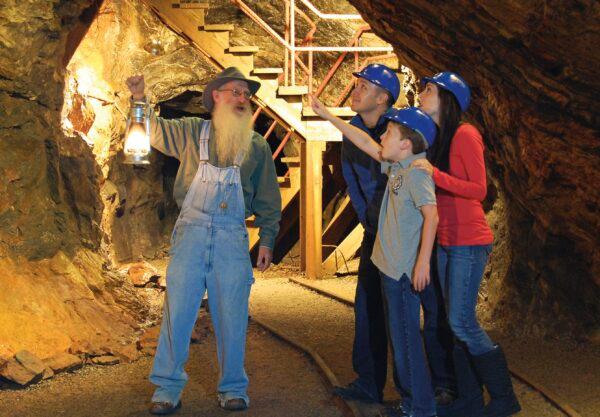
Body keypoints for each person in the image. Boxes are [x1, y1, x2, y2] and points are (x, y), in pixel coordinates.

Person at [125, 67, 282, 415]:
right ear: (216, 96)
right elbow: (154, 131)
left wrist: (268, 239)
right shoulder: (191, 132)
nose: (242, 100)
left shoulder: (256, 146)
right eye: (235, 93)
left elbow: (269, 199)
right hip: (191, 234)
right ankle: (167, 387)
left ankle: (233, 387)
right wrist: (139, 99)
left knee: (232, 313)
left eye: (246, 95)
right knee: (178, 311)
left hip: (231, 237)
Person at [333, 64, 455, 407]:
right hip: (379, 234)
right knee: (371, 308)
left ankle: (434, 390)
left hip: (409, 243)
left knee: (422, 315)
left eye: (363, 85)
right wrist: (367, 218)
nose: (354, 90)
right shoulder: (367, 136)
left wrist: (420, 256)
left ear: (383, 98)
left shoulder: (407, 145)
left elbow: (426, 203)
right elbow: (354, 174)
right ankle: (378, 386)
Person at [312, 96, 441, 417]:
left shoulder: (416, 174)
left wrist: (423, 261)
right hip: (389, 267)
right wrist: (328, 115)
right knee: (400, 340)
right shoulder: (397, 164)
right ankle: (412, 402)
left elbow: (432, 216)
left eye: (390, 133)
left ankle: (420, 408)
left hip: (402, 273)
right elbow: (364, 141)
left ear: (406, 145)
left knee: (407, 342)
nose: (382, 136)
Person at [414, 71, 521, 417]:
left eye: (428, 89)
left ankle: (504, 399)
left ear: (447, 98)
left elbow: (479, 189)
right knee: (453, 320)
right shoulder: (439, 138)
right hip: (448, 241)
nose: (420, 93)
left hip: (468, 241)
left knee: (462, 322)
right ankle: (470, 401)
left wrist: (433, 173)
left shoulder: (465, 133)